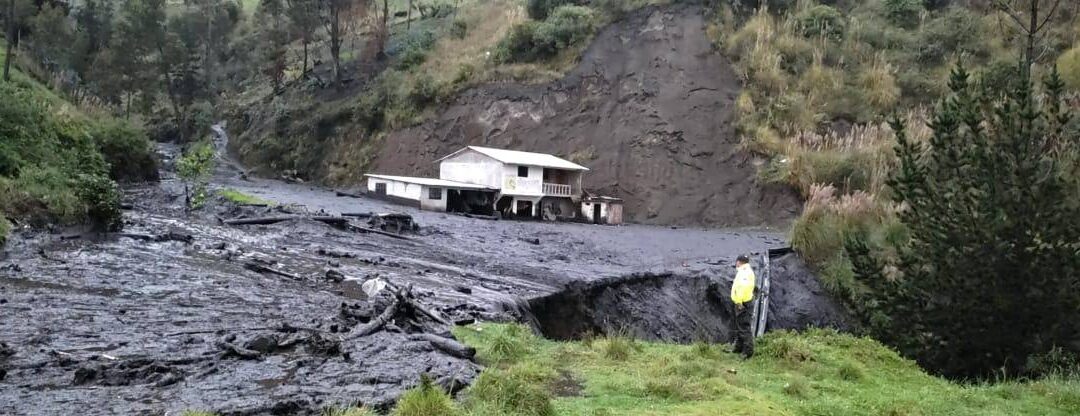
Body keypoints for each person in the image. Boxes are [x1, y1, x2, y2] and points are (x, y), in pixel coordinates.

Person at [731, 254, 756, 358]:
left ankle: (748, 351)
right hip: (744, 301)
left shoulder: (744, 273)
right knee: (739, 325)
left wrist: (739, 302)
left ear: (739, 262)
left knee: (744, 327)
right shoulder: (746, 271)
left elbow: (741, 288)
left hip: (743, 303)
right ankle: (738, 347)